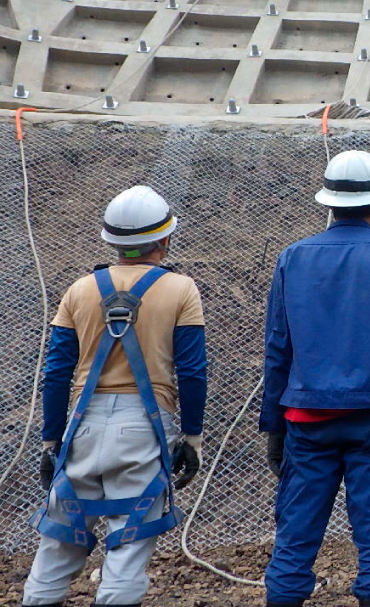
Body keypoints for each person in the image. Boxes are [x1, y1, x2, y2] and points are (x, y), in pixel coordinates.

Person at [260, 150, 370, 607]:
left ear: (328, 204)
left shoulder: (292, 258)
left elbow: (278, 347)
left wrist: (274, 425)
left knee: (294, 540)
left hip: (306, 418)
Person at [22, 185, 207, 607]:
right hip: (145, 428)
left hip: (82, 428)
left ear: (111, 241)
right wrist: (192, 437)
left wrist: (51, 441)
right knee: (128, 545)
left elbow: (56, 372)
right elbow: (193, 371)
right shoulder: (181, 289)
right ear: (164, 239)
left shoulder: (79, 290)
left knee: (59, 545)